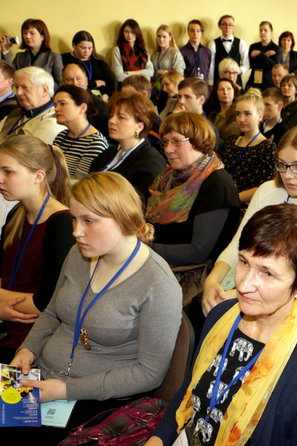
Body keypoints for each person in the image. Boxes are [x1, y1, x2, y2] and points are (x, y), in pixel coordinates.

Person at [149, 203, 297, 446]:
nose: (243, 284)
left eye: (267, 273)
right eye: (243, 262)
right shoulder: (221, 315)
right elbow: (189, 393)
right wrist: (158, 439)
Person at [8, 171, 181, 443]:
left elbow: (149, 373)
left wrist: (66, 389)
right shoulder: (80, 253)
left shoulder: (158, 284)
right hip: (42, 378)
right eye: (74, 219)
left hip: (96, 398)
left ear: (123, 219)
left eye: (89, 221)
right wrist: (27, 350)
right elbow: (52, 312)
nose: (76, 231)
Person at [201, 125, 297, 315]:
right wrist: (212, 281)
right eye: (282, 165)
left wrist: (239, 293)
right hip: (245, 281)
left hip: (290, 302)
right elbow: (239, 244)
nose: (288, 175)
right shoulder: (268, 191)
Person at [0, 135, 73, 363]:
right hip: (7, 325)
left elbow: (46, 303)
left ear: (38, 176)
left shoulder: (62, 224)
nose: (0, 179)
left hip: (34, 341)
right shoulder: (17, 213)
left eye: (8, 172)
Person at [146, 112, 240, 267]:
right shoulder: (168, 177)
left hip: (193, 275)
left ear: (199, 142)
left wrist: (139, 249)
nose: (168, 150)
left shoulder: (217, 184)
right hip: (161, 262)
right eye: (165, 142)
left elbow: (198, 252)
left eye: (176, 141)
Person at [89, 91, 164, 202]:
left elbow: (138, 208)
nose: (111, 120)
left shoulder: (150, 164)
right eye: (112, 115)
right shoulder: (108, 153)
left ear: (139, 126)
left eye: (121, 117)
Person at [218, 89, 276, 204]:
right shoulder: (232, 141)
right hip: (226, 198)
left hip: (246, 205)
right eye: (238, 113)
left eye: (247, 114)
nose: (241, 119)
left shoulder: (267, 147)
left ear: (260, 116)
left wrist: (231, 199)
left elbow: (264, 186)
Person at [52, 85, 108, 181]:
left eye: (62, 103)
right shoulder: (61, 136)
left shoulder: (95, 142)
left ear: (82, 108)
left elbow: (80, 183)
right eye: (55, 105)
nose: (56, 109)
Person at [0, 67, 66, 144]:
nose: (18, 92)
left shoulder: (55, 118)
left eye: (25, 87)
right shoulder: (14, 113)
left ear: (44, 90)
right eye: (16, 87)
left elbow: (29, 152)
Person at [0, 19, 63, 84]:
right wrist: (5, 50)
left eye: (32, 33)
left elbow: (60, 83)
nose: (27, 36)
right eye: (25, 33)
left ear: (42, 36)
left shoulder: (53, 57)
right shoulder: (19, 57)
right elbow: (8, 75)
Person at [61, 31, 117, 98]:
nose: (86, 51)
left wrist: (106, 96)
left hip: (102, 97)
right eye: (83, 48)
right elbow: (72, 84)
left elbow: (112, 82)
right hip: (78, 96)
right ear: (74, 45)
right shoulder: (65, 59)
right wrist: (95, 84)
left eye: (90, 48)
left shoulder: (99, 61)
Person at [209, 14, 250, 87]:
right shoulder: (213, 43)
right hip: (218, 81)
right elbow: (211, 65)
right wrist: (211, 83)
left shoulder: (241, 43)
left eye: (230, 25)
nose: (227, 27)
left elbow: (246, 63)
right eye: (224, 24)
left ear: (233, 27)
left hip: (236, 82)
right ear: (219, 26)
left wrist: (237, 71)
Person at [247, 21, 279, 90]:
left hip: (269, 84)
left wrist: (260, 54)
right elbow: (252, 64)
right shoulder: (253, 47)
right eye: (261, 30)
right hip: (254, 82)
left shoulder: (276, 48)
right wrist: (265, 55)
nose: (262, 32)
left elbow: (274, 66)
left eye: (265, 30)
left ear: (271, 32)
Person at [181, 20, 213, 85]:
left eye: (198, 31)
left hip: (204, 86)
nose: (195, 33)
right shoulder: (182, 51)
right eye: (192, 31)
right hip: (188, 87)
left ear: (202, 32)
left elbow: (210, 71)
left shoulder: (207, 51)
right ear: (188, 32)